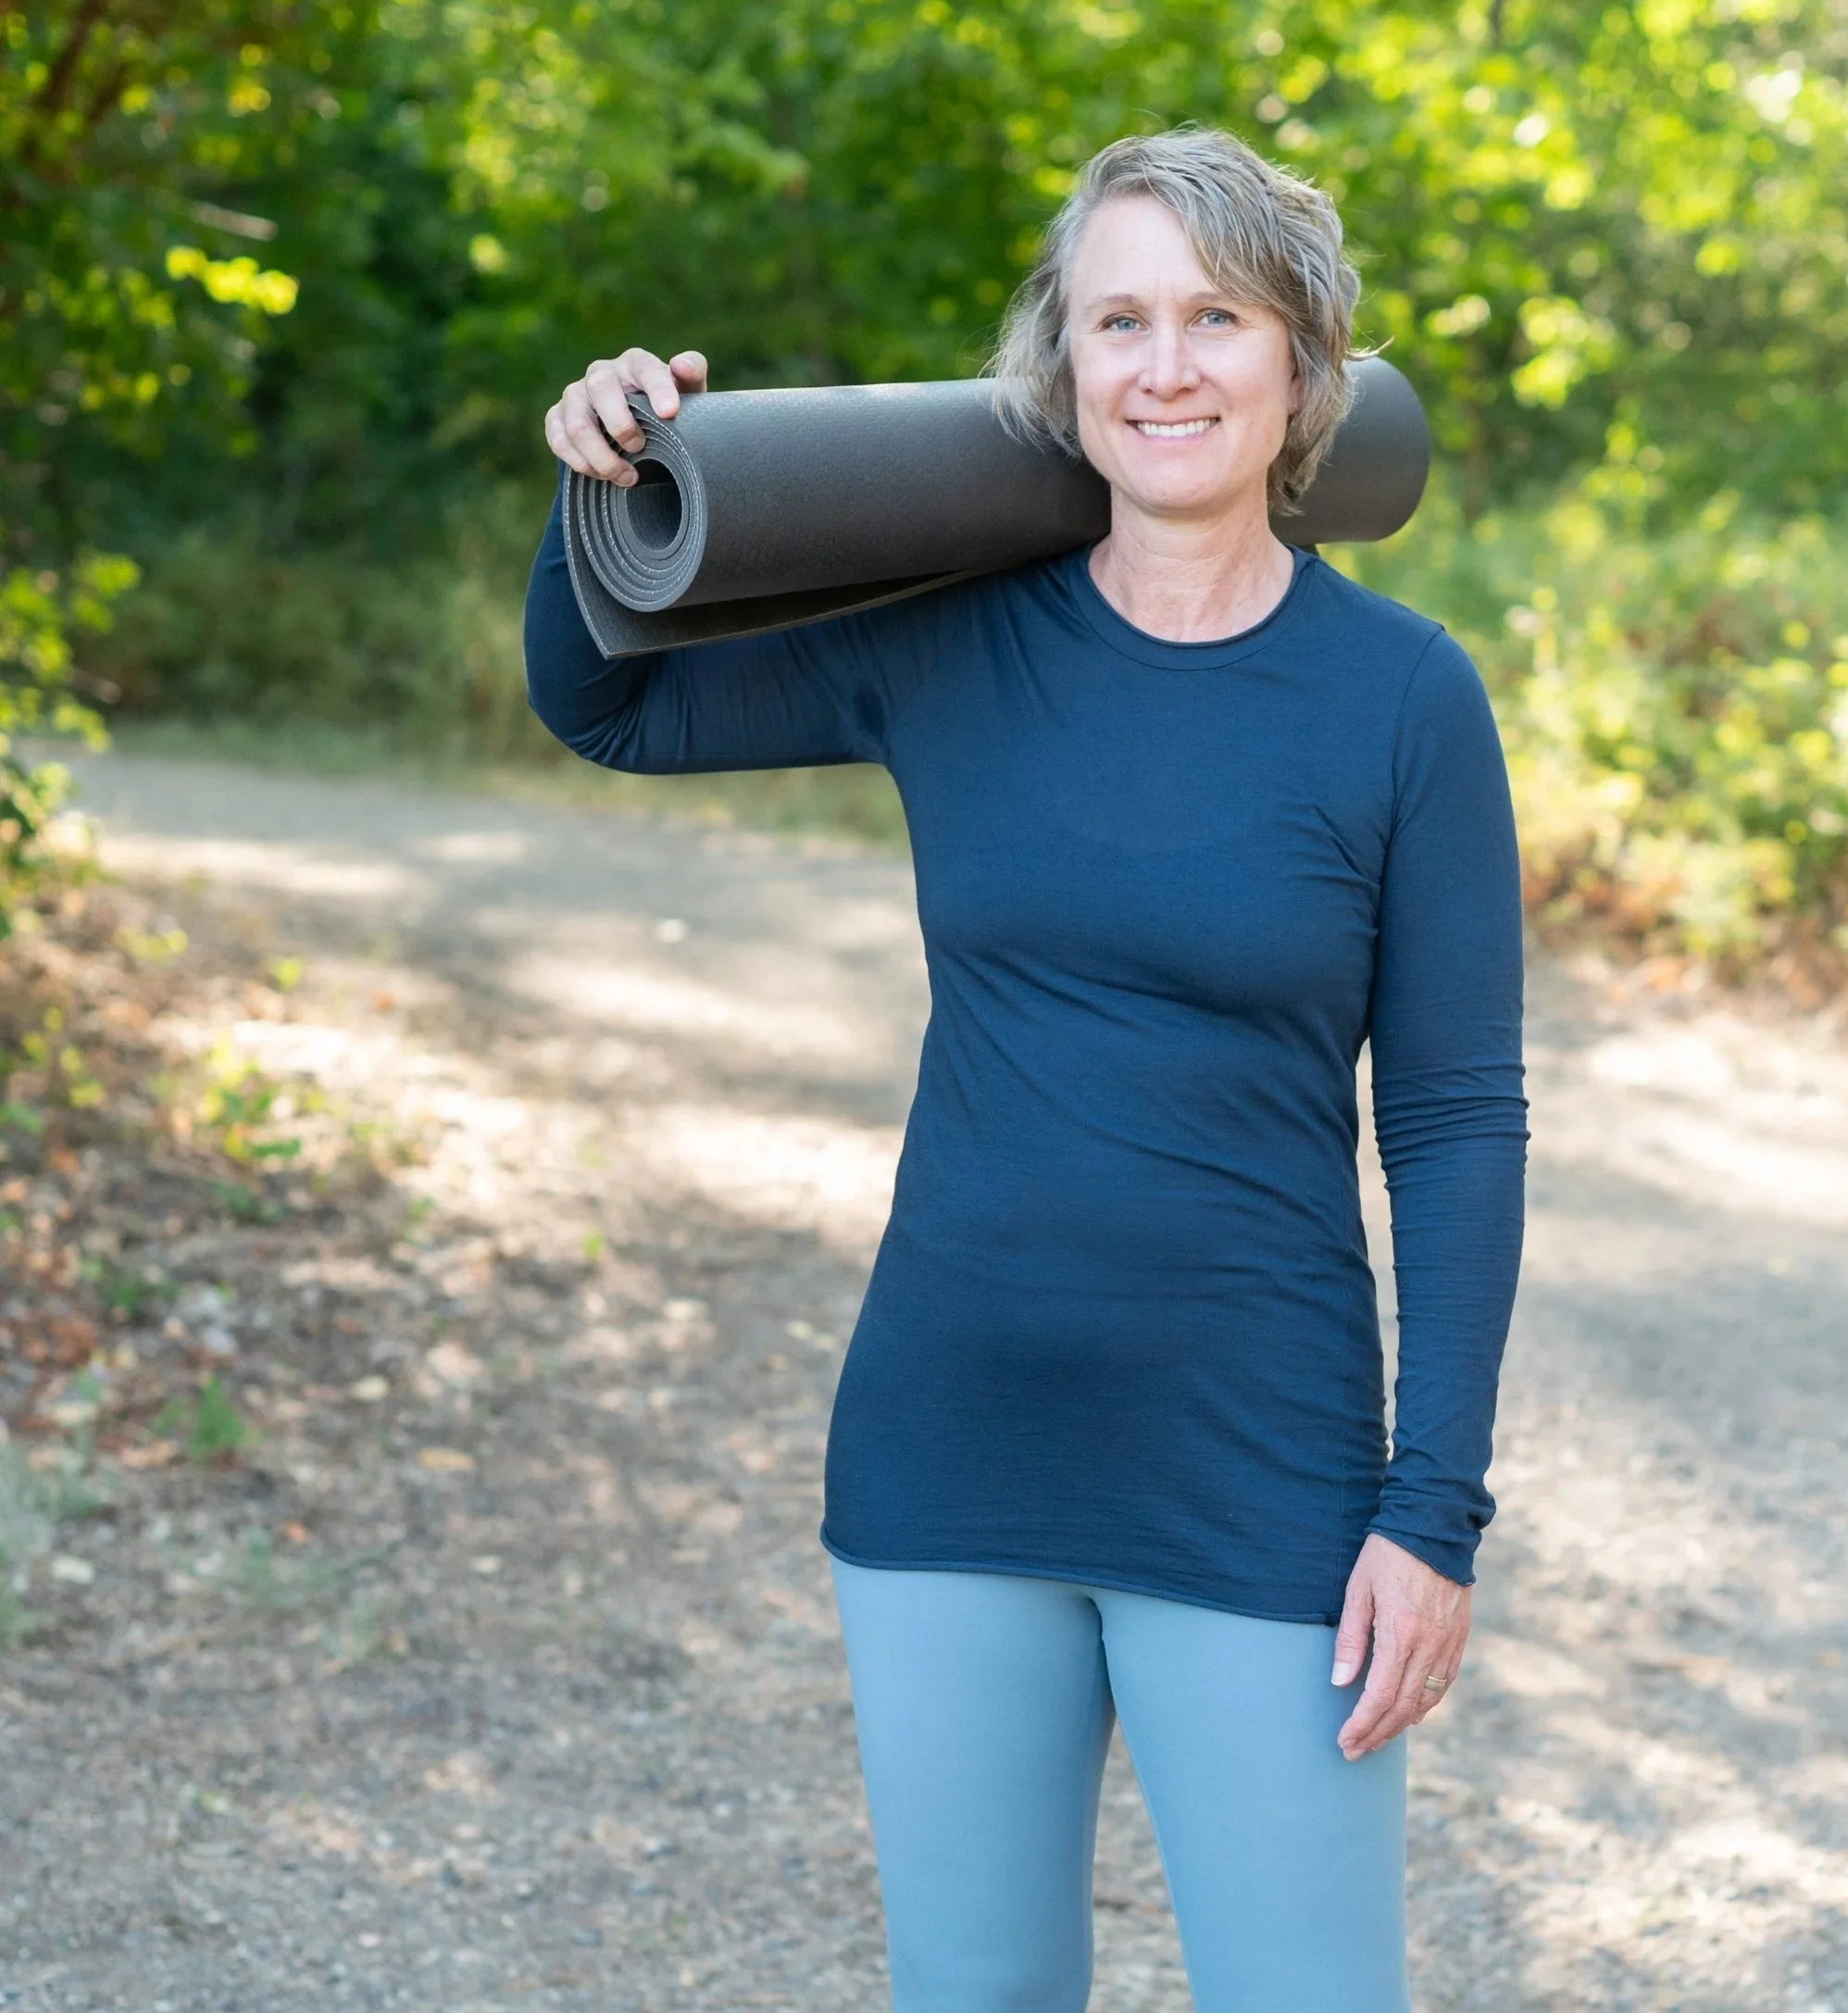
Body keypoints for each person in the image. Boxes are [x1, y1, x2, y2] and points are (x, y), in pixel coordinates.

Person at [527, 126, 1529, 2013]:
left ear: (1301, 363)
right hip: (944, 1458)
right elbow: (614, 702)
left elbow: (1459, 1118)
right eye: (1117, 318)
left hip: (1261, 1475)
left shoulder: (1402, 696)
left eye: (1216, 317)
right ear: (1061, 369)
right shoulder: (958, 643)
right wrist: (589, 473)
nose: (1165, 365)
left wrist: (1429, 1505)